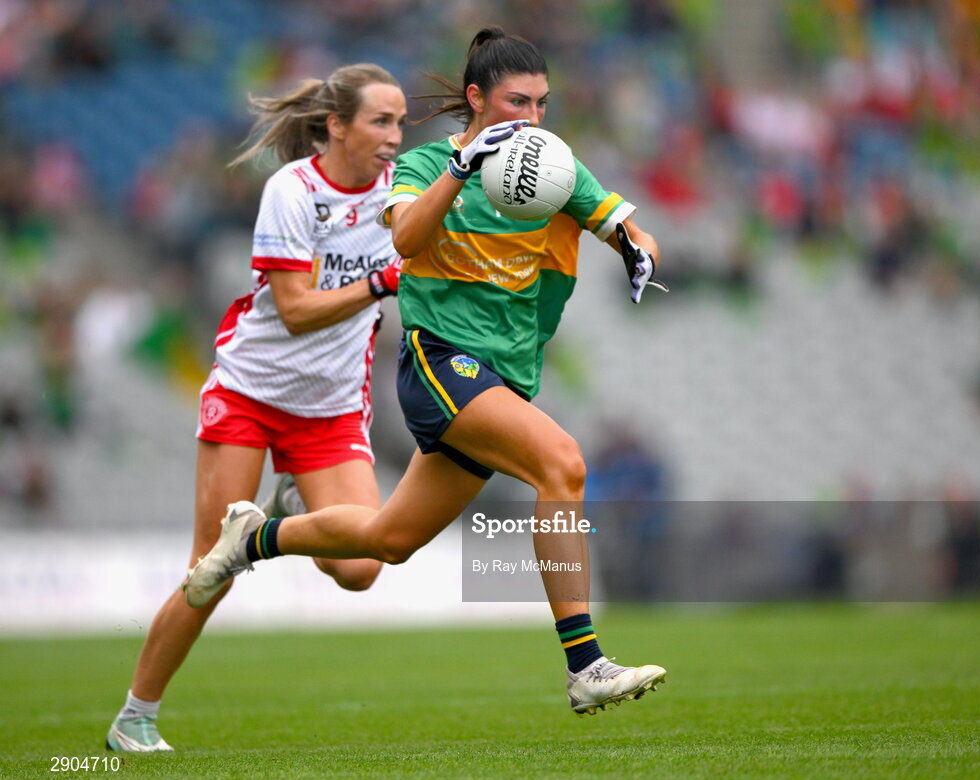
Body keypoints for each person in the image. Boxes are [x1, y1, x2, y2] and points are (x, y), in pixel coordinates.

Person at [185, 27, 667, 716]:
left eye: (541, 104)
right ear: (475, 98)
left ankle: (254, 537)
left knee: (389, 541)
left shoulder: (554, 165)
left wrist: (636, 250)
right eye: (515, 102)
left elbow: (625, 224)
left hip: (503, 375)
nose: (531, 120)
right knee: (563, 462)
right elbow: (406, 241)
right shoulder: (422, 167)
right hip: (442, 364)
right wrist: (465, 167)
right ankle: (585, 664)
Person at [105, 63, 408, 752]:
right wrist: (382, 280)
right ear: (337, 125)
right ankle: (136, 716)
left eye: (400, 122)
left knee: (362, 566)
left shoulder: (401, 192)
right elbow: (297, 311)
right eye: (380, 121)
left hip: (330, 407)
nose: (395, 136)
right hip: (251, 392)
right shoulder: (292, 189)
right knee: (210, 565)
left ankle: (283, 516)